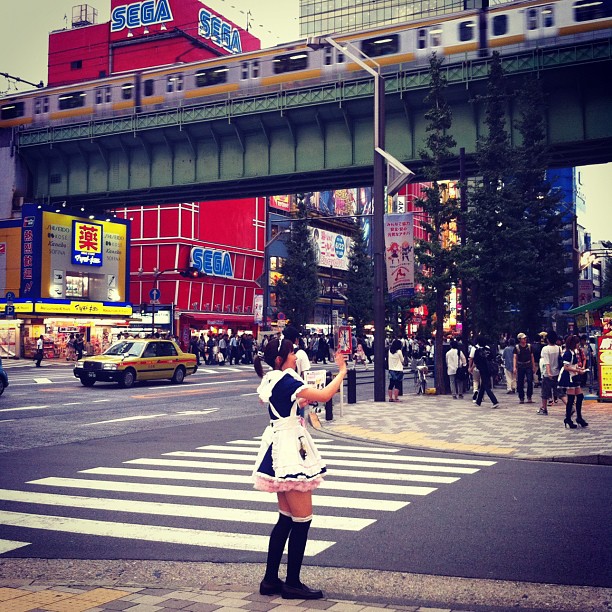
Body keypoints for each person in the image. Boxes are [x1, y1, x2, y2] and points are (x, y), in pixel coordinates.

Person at [253, 336, 347, 600]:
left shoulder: (271, 379)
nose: (296, 355)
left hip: (276, 446)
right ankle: (292, 583)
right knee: (302, 520)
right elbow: (327, 394)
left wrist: (298, 403)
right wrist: (342, 372)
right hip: (291, 450)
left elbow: (283, 404)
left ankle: (270, 580)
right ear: (281, 360)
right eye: (292, 353)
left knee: (285, 519)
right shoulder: (289, 380)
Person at [558, 335, 588, 428]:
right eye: (577, 342)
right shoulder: (568, 353)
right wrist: (578, 370)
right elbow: (566, 367)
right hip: (569, 377)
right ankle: (568, 418)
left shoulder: (572, 352)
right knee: (571, 399)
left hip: (573, 376)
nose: (578, 344)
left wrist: (578, 369)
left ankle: (578, 417)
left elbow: (572, 365)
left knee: (579, 396)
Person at [538, 330, 562, 415]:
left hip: (548, 374)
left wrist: (549, 373)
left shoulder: (545, 349)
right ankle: (569, 406)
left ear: (548, 339)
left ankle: (544, 409)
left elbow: (547, 362)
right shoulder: (559, 348)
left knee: (545, 392)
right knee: (559, 392)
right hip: (557, 372)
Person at [473, 337, 500, 408]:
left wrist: (472, 367)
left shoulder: (478, 351)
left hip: (482, 370)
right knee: (483, 385)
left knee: (486, 386)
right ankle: (478, 401)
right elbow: (492, 358)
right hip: (490, 369)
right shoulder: (488, 350)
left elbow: (475, 361)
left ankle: (494, 401)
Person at [513, 333, 535, 404]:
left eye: (525, 338)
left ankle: (529, 396)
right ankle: (521, 397)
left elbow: (532, 356)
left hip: (528, 365)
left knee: (529, 381)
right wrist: (514, 367)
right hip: (520, 366)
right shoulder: (517, 347)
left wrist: (533, 366)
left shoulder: (529, 346)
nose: (525, 339)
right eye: (523, 338)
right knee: (520, 382)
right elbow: (515, 357)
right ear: (519, 339)